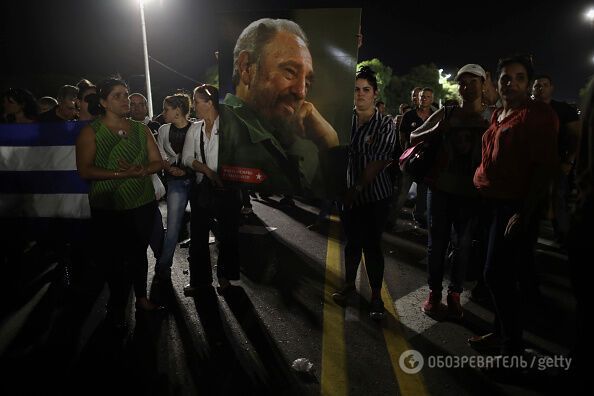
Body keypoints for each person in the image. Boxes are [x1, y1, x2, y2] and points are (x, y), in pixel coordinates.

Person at [469, 55, 558, 356]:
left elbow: (544, 168)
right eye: (506, 77)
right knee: (496, 274)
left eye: (520, 78)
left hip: (513, 207)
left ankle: (513, 350)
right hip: (489, 202)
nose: (512, 83)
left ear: (528, 82)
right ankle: (500, 332)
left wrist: (524, 211)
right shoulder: (498, 113)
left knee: (497, 274)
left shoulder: (538, 115)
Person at [75, 77, 164, 325]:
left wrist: (142, 169)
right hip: (108, 206)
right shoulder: (90, 132)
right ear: (103, 102)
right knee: (113, 258)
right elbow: (84, 170)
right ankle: (117, 305)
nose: (125, 99)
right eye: (118, 95)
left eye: (126, 94)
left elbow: (157, 162)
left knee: (138, 254)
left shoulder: (141, 129)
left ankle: (141, 298)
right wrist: (120, 174)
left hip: (142, 202)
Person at [218, 18, 340, 195]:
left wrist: (330, 145)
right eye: (290, 71)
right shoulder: (225, 123)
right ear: (246, 68)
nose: (301, 92)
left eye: (307, 82)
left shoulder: (276, 137)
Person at [410, 64, 491, 319]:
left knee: (463, 245)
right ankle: (434, 293)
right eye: (462, 82)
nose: (466, 87)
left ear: (483, 83)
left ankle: (454, 295)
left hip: (471, 194)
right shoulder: (447, 112)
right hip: (441, 191)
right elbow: (413, 136)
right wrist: (436, 131)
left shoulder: (490, 117)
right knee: (437, 245)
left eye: (472, 82)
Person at [332, 66, 396, 320]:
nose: (360, 94)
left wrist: (356, 189)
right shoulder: (344, 119)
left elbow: (378, 163)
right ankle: (348, 285)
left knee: (372, 246)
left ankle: (376, 295)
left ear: (375, 93)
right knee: (351, 243)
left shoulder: (385, 124)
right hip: (347, 196)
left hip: (374, 198)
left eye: (365, 90)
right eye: (356, 89)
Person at [182, 84, 241, 295]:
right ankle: (200, 280)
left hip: (228, 190)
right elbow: (187, 158)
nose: (194, 106)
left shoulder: (228, 126)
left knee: (228, 236)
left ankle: (224, 277)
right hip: (202, 190)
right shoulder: (195, 128)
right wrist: (207, 170)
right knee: (198, 236)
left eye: (197, 102)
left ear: (209, 103)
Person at [532, 74, 581, 246]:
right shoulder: (526, 109)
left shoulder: (564, 109)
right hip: (531, 166)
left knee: (558, 200)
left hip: (557, 163)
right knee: (532, 203)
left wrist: (569, 161)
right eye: (537, 85)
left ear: (551, 88)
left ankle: (565, 238)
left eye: (545, 85)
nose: (540, 88)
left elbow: (577, 137)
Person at [154, 93, 198, 281]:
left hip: (196, 182)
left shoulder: (196, 128)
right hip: (175, 182)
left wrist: (186, 171)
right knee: (172, 226)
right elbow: (160, 153)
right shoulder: (164, 129)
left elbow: (200, 155)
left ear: (178, 111)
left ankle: (197, 266)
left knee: (199, 226)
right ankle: (163, 266)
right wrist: (170, 168)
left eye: (166, 109)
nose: (163, 113)